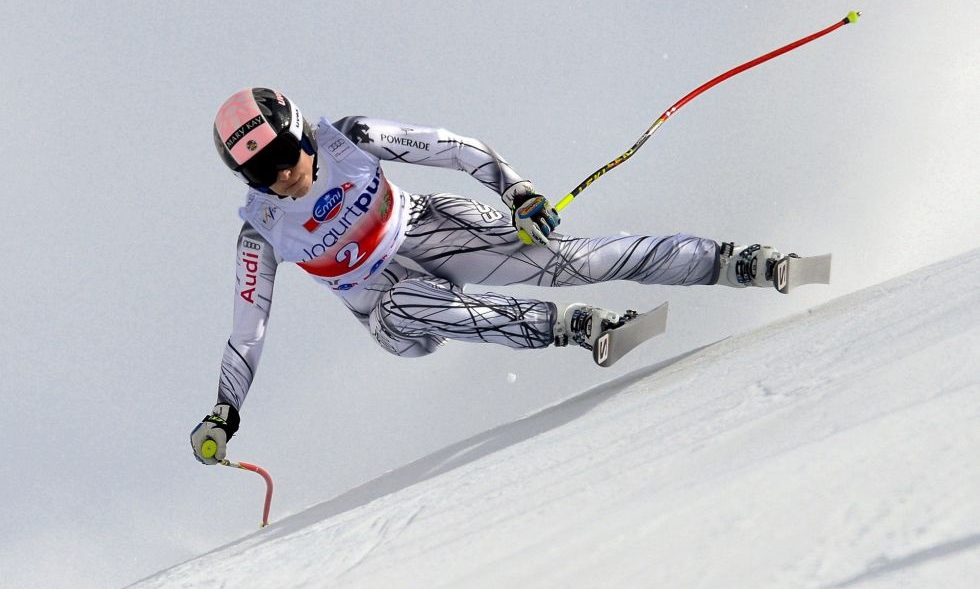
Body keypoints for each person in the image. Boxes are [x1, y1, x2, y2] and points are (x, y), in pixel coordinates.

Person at [190, 87, 817, 464]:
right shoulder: (261, 229)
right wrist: (225, 411)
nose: (280, 175)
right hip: (386, 304)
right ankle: (574, 329)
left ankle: (732, 261)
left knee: (568, 261)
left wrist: (514, 191)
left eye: (281, 154)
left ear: (298, 128)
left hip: (430, 229)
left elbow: (455, 147)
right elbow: (248, 330)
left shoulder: (350, 138)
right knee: (406, 304)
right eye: (260, 172)